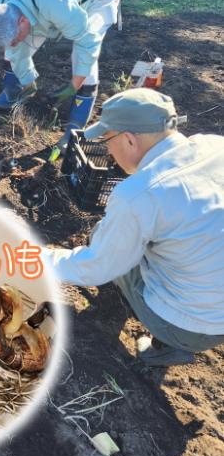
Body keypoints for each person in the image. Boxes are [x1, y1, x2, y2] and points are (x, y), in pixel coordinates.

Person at [42, 89, 224, 367]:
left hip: (194, 326)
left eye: (107, 140)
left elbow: (96, 267)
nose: (108, 151)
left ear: (128, 139)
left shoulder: (141, 193)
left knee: (116, 253)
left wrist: (36, 259)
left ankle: (168, 343)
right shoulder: (214, 145)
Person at [0, 0, 124, 157]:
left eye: (14, 39)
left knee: (83, 50)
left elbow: (87, 41)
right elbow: (16, 48)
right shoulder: (6, 6)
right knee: (20, 46)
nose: (14, 44)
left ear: (22, 22)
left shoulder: (56, 3)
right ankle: (10, 95)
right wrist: (30, 86)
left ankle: (75, 125)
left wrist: (74, 85)